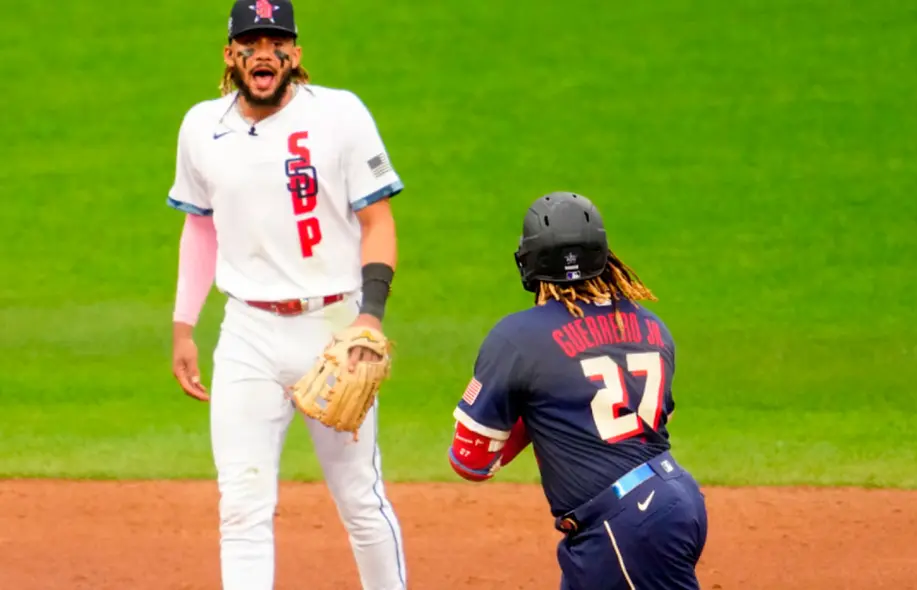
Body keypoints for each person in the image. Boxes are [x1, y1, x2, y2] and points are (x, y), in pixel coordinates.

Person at [167, 1, 407, 588]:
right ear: (231, 55)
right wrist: (183, 324)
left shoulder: (340, 115)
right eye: (251, 40)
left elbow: (378, 221)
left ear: (295, 54)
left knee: (359, 497)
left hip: (332, 329)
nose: (264, 51)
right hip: (245, 333)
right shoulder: (202, 127)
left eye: (277, 40)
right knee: (242, 506)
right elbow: (201, 225)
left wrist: (370, 318)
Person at [448, 192, 709, 589]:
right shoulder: (652, 325)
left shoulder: (516, 337)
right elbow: (656, 419)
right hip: (674, 500)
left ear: (529, 261)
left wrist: (532, 414)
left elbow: (471, 461)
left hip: (626, 523)